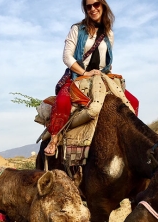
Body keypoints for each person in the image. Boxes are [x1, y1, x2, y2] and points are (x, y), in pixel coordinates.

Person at [44, 0, 114, 156]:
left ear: (103, 5)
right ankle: (54, 139)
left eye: (96, 4)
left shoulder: (109, 34)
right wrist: (83, 72)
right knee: (62, 102)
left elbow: (107, 60)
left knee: (132, 102)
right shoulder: (77, 29)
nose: (93, 9)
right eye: (88, 6)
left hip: (101, 77)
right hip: (77, 76)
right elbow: (67, 56)